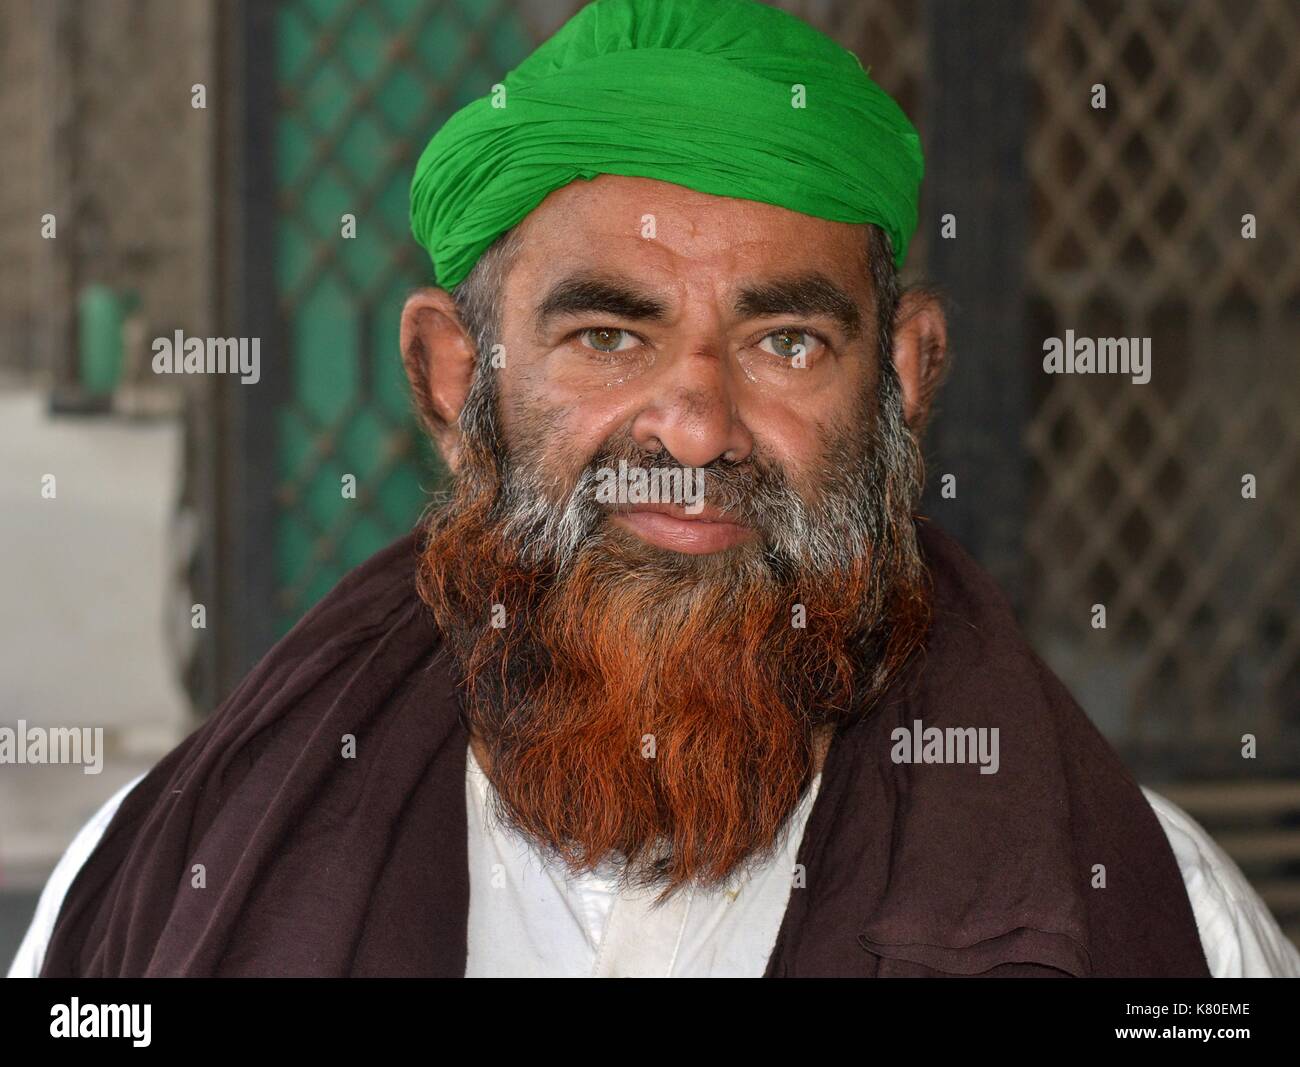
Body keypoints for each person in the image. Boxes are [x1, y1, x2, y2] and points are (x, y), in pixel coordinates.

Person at [13, 0, 1299, 978]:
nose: (693, 427)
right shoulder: (162, 876)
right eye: (605, 336)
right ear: (454, 383)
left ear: (902, 381)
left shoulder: (1151, 915)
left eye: (784, 341)